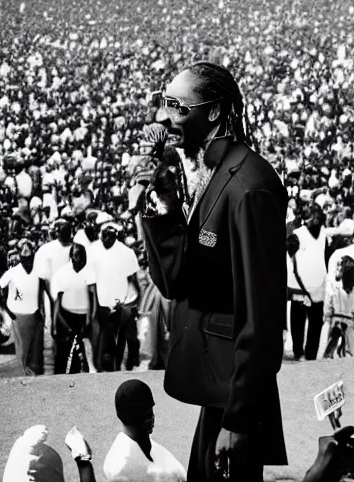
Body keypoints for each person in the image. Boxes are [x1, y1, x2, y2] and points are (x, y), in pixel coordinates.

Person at [142, 62, 288, 482]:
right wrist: (163, 201)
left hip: (234, 389)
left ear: (214, 112)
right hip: (217, 382)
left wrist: (239, 419)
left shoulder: (248, 186)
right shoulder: (211, 171)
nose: (165, 118)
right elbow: (177, 282)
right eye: (163, 104)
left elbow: (261, 317)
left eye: (177, 107)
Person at [89, 215, 141, 372]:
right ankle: (108, 372)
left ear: (116, 234)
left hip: (123, 305)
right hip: (101, 306)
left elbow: (133, 280)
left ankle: (123, 369)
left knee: (126, 342)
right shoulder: (91, 251)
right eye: (103, 233)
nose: (106, 237)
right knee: (105, 347)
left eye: (110, 233)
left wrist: (135, 303)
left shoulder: (126, 253)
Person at [291, 203, 331, 361]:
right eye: (313, 217)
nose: (316, 220)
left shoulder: (324, 234)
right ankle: (298, 351)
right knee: (298, 320)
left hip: (318, 285)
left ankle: (311, 355)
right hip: (299, 285)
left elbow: (325, 258)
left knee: (316, 322)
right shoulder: (297, 234)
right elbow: (292, 262)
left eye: (318, 216)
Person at [0, 239, 44, 375]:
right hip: (18, 316)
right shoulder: (12, 272)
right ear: (19, 256)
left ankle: (33, 379)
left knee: (36, 354)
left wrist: (41, 311)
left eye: (29, 258)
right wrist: (7, 310)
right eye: (24, 258)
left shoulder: (38, 272)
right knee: (22, 354)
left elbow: (42, 290)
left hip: (35, 315)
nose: (27, 261)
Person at [51, 243, 96, 374]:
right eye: (77, 256)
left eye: (83, 256)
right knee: (63, 353)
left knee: (81, 352)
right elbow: (57, 302)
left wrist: (89, 319)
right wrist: (55, 324)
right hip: (65, 317)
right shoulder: (62, 273)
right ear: (71, 256)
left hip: (83, 318)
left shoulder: (90, 272)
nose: (81, 259)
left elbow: (93, 298)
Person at [323, 256, 354, 358]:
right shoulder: (333, 290)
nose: (338, 272)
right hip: (336, 328)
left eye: (340, 269)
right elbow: (327, 313)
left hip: (353, 328)